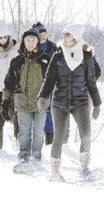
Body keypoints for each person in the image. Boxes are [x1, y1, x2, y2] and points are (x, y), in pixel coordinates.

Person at [37, 23, 102, 182]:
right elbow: (49, 80)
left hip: (80, 102)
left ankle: (84, 168)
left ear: (76, 37)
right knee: (58, 136)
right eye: (63, 34)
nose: (63, 37)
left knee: (86, 135)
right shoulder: (58, 56)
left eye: (67, 35)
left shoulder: (86, 57)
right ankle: (54, 171)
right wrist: (43, 97)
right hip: (60, 103)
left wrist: (97, 103)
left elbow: (91, 82)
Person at [1, 28, 51, 173]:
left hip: (40, 103)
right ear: (23, 41)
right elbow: (9, 83)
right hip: (22, 102)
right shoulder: (17, 61)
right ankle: (24, 158)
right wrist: (5, 102)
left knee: (37, 133)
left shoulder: (46, 59)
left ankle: (36, 158)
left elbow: (52, 82)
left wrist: (47, 98)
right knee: (24, 132)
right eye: (27, 40)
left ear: (38, 42)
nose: (30, 43)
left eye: (33, 40)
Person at [32, 21, 57, 145]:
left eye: (44, 32)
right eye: (40, 32)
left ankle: (49, 141)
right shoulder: (31, 46)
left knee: (48, 113)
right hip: (33, 84)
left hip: (49, 84)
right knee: (34, 112)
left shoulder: (53, 47)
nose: (43, 35)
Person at [0, 20, 18, 150]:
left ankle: (20, 147)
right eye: (0, 37)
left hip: (13, 89)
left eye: (5, 37)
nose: (3, 40)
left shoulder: (16, 49)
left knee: (17, 118)